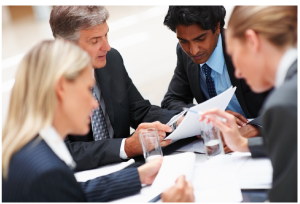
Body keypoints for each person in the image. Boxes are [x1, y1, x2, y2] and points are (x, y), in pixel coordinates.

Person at [1, 40, 194, 203]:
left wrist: (137, 176)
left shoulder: (25, 150)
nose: (95, 104)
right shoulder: (45, 172)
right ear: (61, 88)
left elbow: (72, 191)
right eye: (87, 90)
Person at [49, 5, 183, 171]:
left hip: (127, 168)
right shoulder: (46, 84)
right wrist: (125, 147)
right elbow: (61, 152)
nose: (107, 47)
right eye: (95, 40)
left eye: (106, 35)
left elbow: (140, 111)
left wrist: (179, 121)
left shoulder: (111, 60)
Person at [199, 5, 298, 202]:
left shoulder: (284, 103)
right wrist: (244, 144)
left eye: (235, 55)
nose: (237, 73)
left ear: (252, 41)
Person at [161, 5, 270, 153]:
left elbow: (289, 94)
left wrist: (255, 128)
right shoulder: (183, 53)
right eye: (184, 41)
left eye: (200, 38)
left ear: (217, 27)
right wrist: (207, 114)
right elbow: (171, 101)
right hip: (219, 147)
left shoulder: (248, 45)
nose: (193, 50)